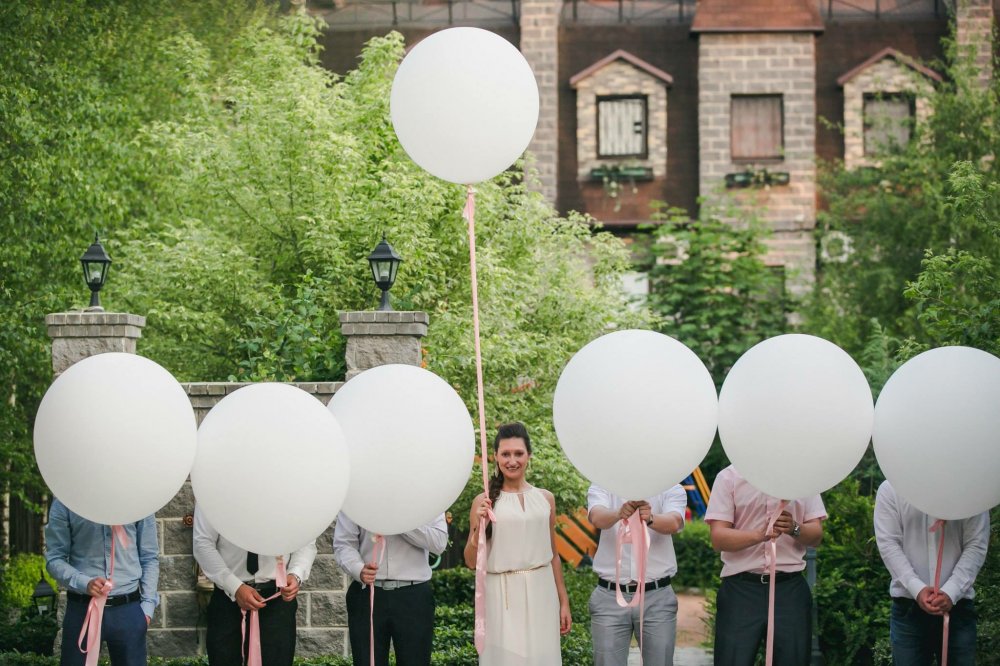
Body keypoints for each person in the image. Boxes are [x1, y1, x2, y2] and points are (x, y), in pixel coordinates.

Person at [464, 422, 572, 665]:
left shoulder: (546, 499)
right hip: (501, 597)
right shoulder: (483, 502)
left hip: (542, 592)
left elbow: (553, 555)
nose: (512, 460)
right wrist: (477, 531)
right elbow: (471, 562)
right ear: (495, 457)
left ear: (529, 455)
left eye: (518, 453)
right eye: (505, 454)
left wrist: (563, 601)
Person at [704, 465, 826, 666]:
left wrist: (794, 528)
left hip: (789, 590)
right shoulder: (729, 477)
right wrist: (759, 535)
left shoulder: (803, 476)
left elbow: (816, 535)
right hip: (741, 590)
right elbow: (718, 538)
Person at [873, 480, 989, 666]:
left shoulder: (969, 487)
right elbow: (888, 544)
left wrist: (952, 591)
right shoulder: (891, 489)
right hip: (908, 609)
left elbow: (976, 544)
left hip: (958, 608)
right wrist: (916, 588)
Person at [192, 505, 316, 666]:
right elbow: (202, 544)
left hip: (278, 601)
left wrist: (296, 573)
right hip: (228, 600)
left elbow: (305, 538)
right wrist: (235, 587)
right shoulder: (214, 487)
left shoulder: (289, 487)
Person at [44, 497, 159, 666]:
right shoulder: (66, 500)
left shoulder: (138, 498)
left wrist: (147, 609)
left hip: (128, 611)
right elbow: (54, 559)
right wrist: (84, 582)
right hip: (82, 610)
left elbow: (149, 557)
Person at [587, 484, 688, 666]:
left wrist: (650, 518)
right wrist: (619, 513)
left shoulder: (671, 485)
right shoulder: (603, 482)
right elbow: (596, 516)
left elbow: (674, 521)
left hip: (657, 596)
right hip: (609, 597)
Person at [332, 512, 448, 666]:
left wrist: (399, 523)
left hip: (414, 596)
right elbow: (343, 543)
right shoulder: (358, 496)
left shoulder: (426, 496)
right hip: (367, 593)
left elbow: (438, 543)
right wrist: (358, 568)